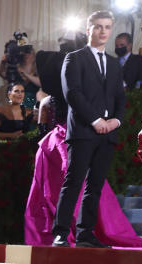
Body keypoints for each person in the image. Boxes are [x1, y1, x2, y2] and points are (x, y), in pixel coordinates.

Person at [25, 95, 142, 248]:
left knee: (56, 190)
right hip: (76, 143)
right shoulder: (86, 97)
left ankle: (64, 233)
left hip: (55, 146)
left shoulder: (47, 101)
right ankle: (79, 232)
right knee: (86, 187)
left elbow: (42, 129)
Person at [51, 10, 126, 248]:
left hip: (108, 134)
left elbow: (120, 97)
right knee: (74, 181)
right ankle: (61, 232)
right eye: (98, 27)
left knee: (95, 185)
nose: (103, 31)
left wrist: (117, 121)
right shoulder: (74, 58)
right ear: (88, 30)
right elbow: (72, 93)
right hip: (84, 130)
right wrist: (96, 120)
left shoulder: (114, 64)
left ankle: (85, 234)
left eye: (107, 27)